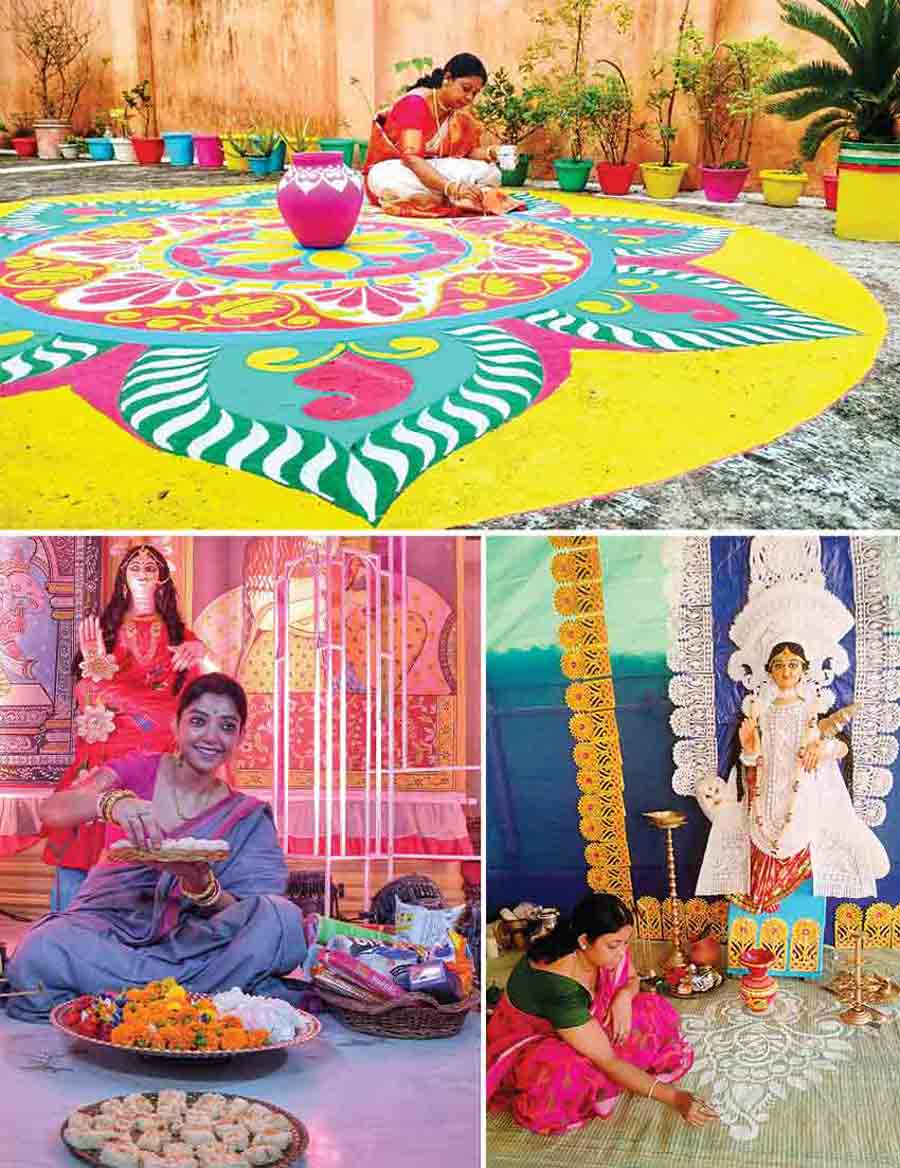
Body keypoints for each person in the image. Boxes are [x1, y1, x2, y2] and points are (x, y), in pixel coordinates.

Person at [6, 673, 305, 1022]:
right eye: (198, 721)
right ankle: (193, 999)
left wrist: (202, 888)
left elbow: (250, 907)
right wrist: (110, 803)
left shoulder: (246, 816)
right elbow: (53, 810)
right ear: (176, 725)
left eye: (226, 726)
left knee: (281, 919)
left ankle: (125, 999)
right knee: (42, 947)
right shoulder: (138, 770)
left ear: (239, 737)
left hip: (192, 944)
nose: (211, 737)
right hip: (109, 930)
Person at [42, 544, 211, 909]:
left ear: (163, 577)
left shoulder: (180, 632)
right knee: (92, 695)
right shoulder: (107, 627)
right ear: (122, 578)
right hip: (116, 728)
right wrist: (97, 664)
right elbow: (91, 685)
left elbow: (194, 686)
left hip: (162, 730)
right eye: (135, 565)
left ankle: (150, 914)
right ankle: (75, 917)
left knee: (177, 721)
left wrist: (199, 651)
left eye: (152, 565)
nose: (144, 570)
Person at [486, 893, 716, 1134]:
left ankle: (618, 1072)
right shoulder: (558, 985)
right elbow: (608, 1059)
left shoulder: (602, 947)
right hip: (537, 1039)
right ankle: (605, 1083)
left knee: (649, 1010)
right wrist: (676, 1099)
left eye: (625, 942)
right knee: (567, 1074)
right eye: (614, 945)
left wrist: (623, 997)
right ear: (585, 940)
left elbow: (631, 979)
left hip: (583, 1021)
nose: (622, 953)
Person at [696, 641, 889, 911]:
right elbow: (750, 762)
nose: (786, 672)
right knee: (760, 837)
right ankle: (761, 901)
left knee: (804, 835)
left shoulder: (813, 712)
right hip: (766, 798)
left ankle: (790, 897)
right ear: (770, 671)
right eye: (779, 666)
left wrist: (822, 748)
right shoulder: (759, 713)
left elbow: (842, 747)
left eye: (793, 665)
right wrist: (750, 750)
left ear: (803, 670)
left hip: (804, 797)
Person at [364, 52, 523, 218]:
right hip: (399, 168)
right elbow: (411, 158)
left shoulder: (458, 115)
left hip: (432, 170)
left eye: (474, 93)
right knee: (384, 177)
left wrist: (494, 152)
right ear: (447, 78)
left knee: (491, 172)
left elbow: (467, 152)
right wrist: (451, 187)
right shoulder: (414, 104)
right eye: (466, 89)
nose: (469, 98)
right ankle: (456, 196)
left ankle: (439, 197)